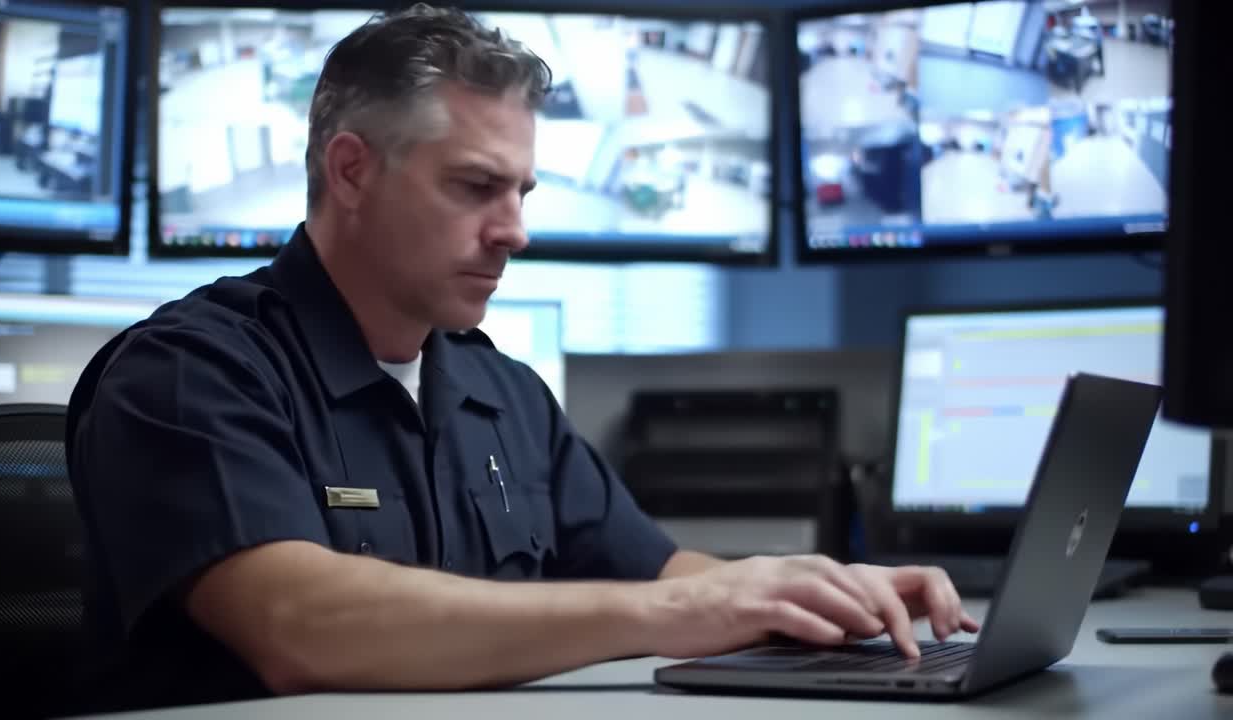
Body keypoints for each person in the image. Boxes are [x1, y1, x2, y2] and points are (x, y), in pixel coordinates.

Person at [66, 4, 977, 713]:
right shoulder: (190, 373)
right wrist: (676, 613)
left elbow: (663, 576)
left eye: (521, 192)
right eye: (475, 187)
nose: (515, 231)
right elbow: (300, 626)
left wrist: (817, 595)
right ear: (350, 171)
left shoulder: (501, 393)